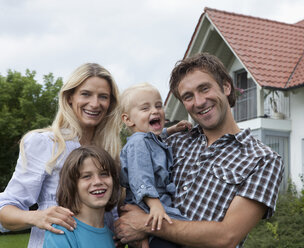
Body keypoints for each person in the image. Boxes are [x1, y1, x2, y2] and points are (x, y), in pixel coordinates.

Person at [114, 53, 284, 248]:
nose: (199, 101)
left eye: (204, 89)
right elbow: (134, 174)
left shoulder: (262, 160)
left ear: (226, 87)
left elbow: (227, 237)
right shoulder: (175, 142)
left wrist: (146, 224)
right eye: (188, 96)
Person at [0, 63, 122, 247]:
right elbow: (4, 210)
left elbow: (111, 214)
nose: (95, 103)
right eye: (86, 94)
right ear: (70, 97)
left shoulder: (111, 151)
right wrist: (38, 216)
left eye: (103, 97)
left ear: (110, 104)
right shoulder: (45, 143)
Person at [119, 83, 191, 248]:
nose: (155, 110)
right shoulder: (138, 143)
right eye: (145, 108)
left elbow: (156, 136)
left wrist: (171, 130)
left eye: (158, 105)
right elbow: (140, 177)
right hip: (145, 204)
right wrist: (155, 206)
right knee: (178, 233)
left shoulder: (148, 138)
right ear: (128, 119)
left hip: (156, 203)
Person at [43, 146, 120, 247]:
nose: (98, 182)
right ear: (72, 185)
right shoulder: (61, 232)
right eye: (87, 176)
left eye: (104, 174)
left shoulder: (112, 236)